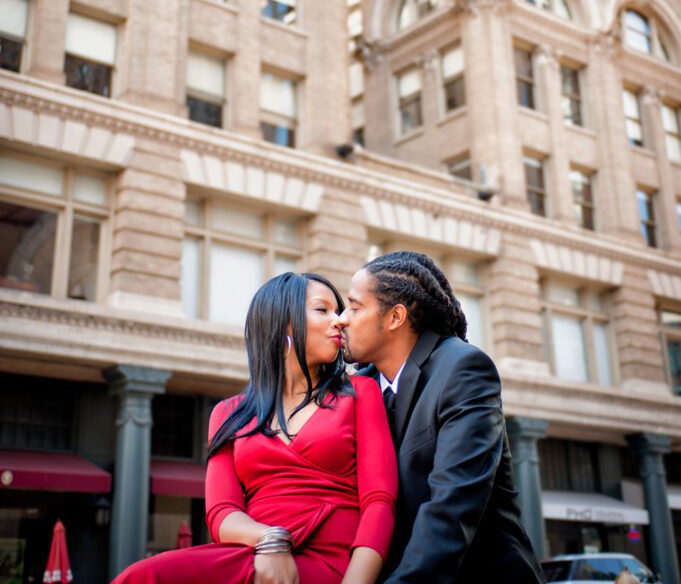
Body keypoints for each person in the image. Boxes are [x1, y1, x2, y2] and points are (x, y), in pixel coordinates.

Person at [112, 272, 397, 584]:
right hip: (258, 552)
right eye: (322, 309)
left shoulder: (360, 393)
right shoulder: (228, 414)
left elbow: (379, 502)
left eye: (339, 310)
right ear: (282, 322)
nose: (339, 320)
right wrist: (270, 541)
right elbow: (221, 512)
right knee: (142, 576)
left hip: (335, 562)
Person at [339, 250, 546, 584]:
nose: (341, 318)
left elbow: (450, 510)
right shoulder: (357, 386)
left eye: (355, 306)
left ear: (395, 318)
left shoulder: (464, 370)